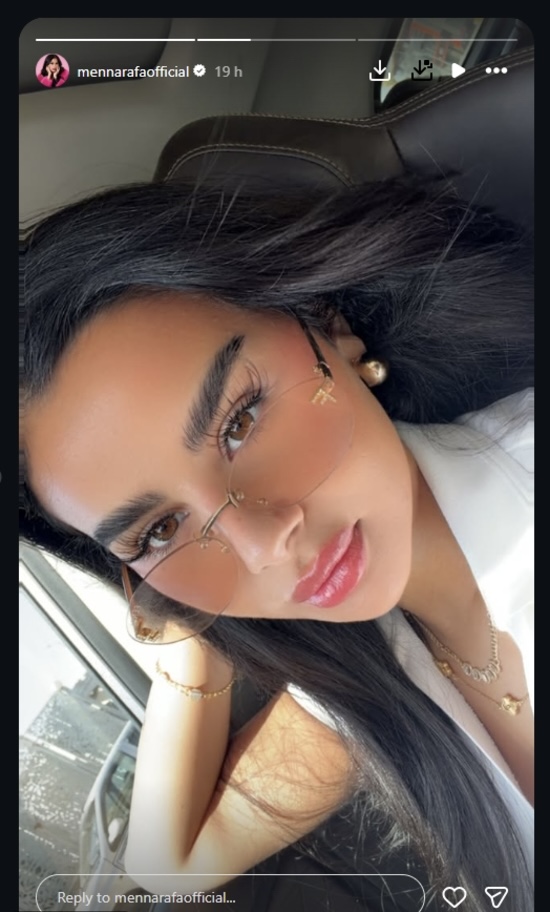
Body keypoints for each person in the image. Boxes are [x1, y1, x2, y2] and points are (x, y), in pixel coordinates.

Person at [19, 176, 533, 911]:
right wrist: (194, 616)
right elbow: (169, 866)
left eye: (240, 422)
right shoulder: (373, 680)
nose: (262, 547)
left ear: (329, 327)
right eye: (158, 529)